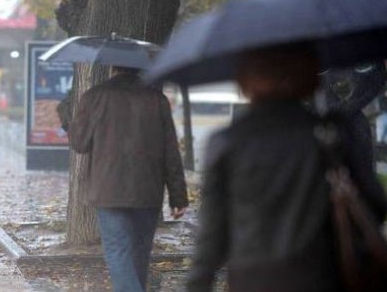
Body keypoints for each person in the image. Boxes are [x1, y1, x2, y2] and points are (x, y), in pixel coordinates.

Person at [186, 46, 387, 291]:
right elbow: (374, 204)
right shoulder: (331, 133)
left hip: (254, 278)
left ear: (245, 80)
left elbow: (212, 233)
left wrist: (197, 283)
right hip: (322, 276)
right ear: (311, 78)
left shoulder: (228, 141)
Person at [67, 66, 189, 292]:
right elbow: (171, 151)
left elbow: (80, 143)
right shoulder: (156, 99)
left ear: (112, 68)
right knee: (139, 254)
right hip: (148, 190)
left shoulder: (94, 96)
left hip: (108, 190)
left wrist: (70, 119)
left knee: (118, 251)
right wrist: (178, 196)